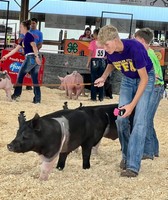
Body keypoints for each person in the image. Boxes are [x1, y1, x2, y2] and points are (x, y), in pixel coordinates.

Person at [94, 25, 155, 177]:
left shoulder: (135, 48)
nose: (105, 49)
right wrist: (103, 77)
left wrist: (131, 106)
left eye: (107, 45)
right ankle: (127, 157)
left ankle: (133, 166)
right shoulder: (111, 51)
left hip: (145, 79)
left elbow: (144, 79)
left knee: (140, 121)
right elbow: (111, 63)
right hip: (128, 80)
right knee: (121, 120)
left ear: (116, 40)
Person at [134, 28, 164, 159]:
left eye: (135, 40)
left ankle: (148, 151)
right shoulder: (149, 52)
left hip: (155, 87)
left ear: (141, 40)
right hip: (155, 87)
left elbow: (155, 74)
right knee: (147, 119)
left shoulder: (147, 53)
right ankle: (153, 148)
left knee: (145, 119)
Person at [0, 19, 41, 104]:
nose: (20, 28)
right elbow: (15, 49)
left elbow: (34, 46)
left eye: (21, 26)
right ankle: (37, 99)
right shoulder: (24, 38)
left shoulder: (29, 36)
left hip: (31, 57)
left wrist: (36, 56)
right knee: (34, 79)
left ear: (25, 27)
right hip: (34, 57)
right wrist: (6, 56)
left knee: (20, 75)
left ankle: (16, 95)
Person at [86, 28, 106, 101]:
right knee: (101, 79)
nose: (93, 35)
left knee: (94, 80)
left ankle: (93, 97)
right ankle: (101, 97)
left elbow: (90, 54)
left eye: (94, 34)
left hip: (94, 61)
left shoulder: (93, 42)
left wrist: (88, 63)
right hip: (103, 61)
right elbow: (106, 54)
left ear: (96, 34)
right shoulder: (104, 43)